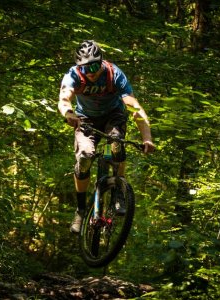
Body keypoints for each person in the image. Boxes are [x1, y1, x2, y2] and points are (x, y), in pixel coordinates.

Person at [58, 40, 155, 233]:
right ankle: (81, 209)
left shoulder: (114, 74)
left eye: (94, 66)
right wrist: (68, 113)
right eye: (85, 69)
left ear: (101, 62)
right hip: (85, 119)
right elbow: (64, 98)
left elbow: (134, 107)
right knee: (85, 157)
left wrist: (147, 138)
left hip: (113, 115)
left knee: (117, 143)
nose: (91, 72)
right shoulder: (73, 75)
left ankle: (119, 189)